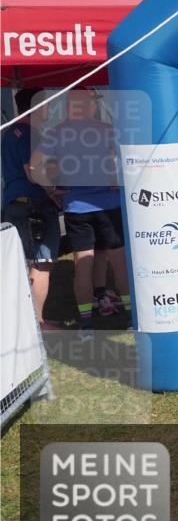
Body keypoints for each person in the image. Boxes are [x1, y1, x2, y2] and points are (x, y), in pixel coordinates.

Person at [31, 89, 130, 338]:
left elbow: (34, 167)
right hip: (108, 206)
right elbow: (128, 158)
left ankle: (86, 323)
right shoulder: (106, 130)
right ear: (91, 106)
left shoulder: (56, 132)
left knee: (82, 265)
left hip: (76, 208)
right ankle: (131, 317)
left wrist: (51, 189)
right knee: (119, 262)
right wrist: (117, 179)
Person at [1, 89, 62, 329]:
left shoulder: (9, 133)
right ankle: (37, 323)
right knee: (42, 262)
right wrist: (52, 190)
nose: (49, 108)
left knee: (25, 262)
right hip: (33, 205)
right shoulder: (30, 133)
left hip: (14, 203)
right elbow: (33, 171)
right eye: (46, 104)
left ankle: (25, 323)